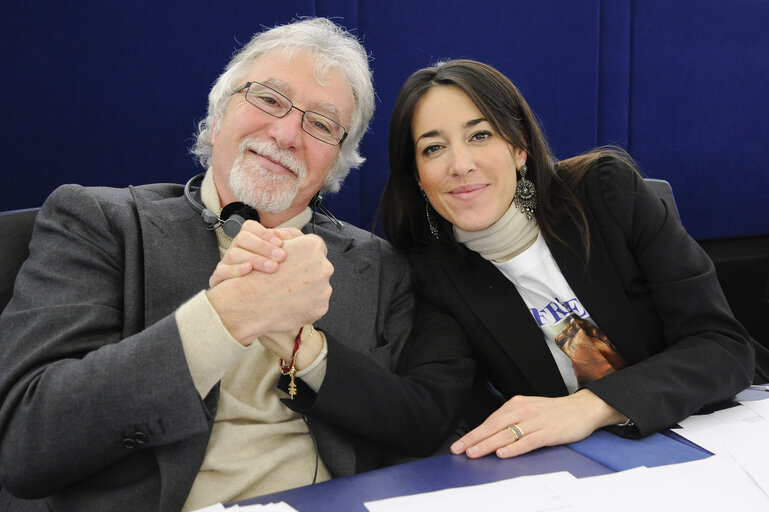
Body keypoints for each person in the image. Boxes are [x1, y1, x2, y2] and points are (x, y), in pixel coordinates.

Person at [0, 19, 474, 511]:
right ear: (220, 110)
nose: (288, 132)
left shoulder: (380, 266)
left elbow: (419, 427)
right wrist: (228, 317)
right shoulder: (101, 222)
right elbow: (27, 443)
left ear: (337, 159)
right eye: (269, 99)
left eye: (321, 124)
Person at [380, 59, 769, 461]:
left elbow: (723, 346)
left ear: (519, 148)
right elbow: (451, 411)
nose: (460, 165)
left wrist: (589, 407)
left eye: (480, 135)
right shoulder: (432, 276)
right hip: (593, 467)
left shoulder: (606, 195)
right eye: (433, 148)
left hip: (723, 429)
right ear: (417, 176)